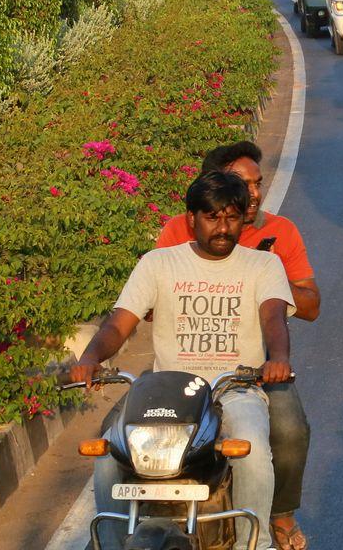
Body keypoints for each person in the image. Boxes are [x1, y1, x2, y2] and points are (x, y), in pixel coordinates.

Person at [73, 172, 294, 550]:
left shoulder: (263, 266)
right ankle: (110, 544)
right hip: (166, 393)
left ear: (244, 219)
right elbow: (120, 322)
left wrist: (279, 358)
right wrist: (91, 356)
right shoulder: (158, 264)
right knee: (109, 454)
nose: (223, 228)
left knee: (253, 451)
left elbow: (273, 318)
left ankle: (251, 545)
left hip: (233, 389)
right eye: (212, 217)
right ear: (191, 218)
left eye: (232, 217)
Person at [154, 143, 316, 550]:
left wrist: (266, 274)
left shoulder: (281, 233)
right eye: (246, 184)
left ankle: (276, 518)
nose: (256, 193)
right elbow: (149, 307)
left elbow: (311, 306)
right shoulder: (178, 231)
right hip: (184, 366)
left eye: (259, 183)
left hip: (253, 370)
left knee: (290, 430)